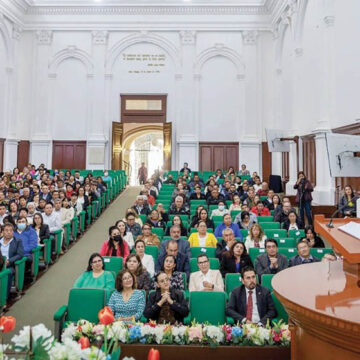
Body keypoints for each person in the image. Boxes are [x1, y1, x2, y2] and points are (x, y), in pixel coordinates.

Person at [0, 223, 24, 300]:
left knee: (8, 273)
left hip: (9, 265)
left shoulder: (17, 241)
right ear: (3, 232)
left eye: (11, 230)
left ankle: (4, 298)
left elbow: (20, 254)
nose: (9, 232)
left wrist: (9, 261)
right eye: (6, 230)